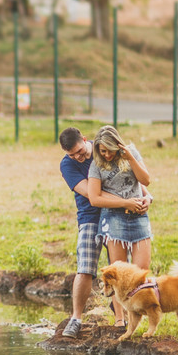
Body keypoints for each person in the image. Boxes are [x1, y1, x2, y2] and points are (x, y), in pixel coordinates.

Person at [57, 127, 149, 338]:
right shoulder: (68, 164)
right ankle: (76, 318)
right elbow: (92, 193)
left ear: (85, 140)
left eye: (80, 152)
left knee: (119, 268)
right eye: (72, 155)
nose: (78, 158)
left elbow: (130, 179)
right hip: (90, 215)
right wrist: (127, 201)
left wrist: (146, 197)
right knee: (85, 266)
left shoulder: (103, 150)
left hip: (118, 214)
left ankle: (122, 317)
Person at [86, 125, 153, 324]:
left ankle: (138, 319)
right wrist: (126, 203)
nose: (106, 154)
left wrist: (129, 157)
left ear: (118, 145)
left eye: (109, 150)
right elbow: (94, 198)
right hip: (113, 219)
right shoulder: (96, 165)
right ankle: (119, 319)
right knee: (117, 274)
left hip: (139, 218)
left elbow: (146, 180)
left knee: (141, 271)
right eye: (102, 150)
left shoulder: (131, 153)